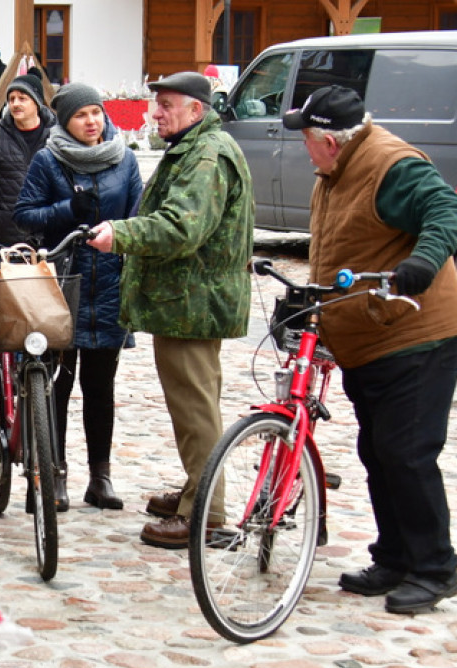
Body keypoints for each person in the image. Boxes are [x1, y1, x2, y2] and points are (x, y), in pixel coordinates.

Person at [281, 85, 457, 613]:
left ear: (331, 142)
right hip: (368, 335)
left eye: (308, 138)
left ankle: (435, 567)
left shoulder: (391, 165)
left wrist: (422, 263)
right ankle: (395, 556)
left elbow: (444, 209)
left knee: (406, 453)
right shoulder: (336, 171)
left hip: (415, 333)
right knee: (377, 451)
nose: (303, 147)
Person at [89, 71, 253, 548]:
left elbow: (183, 227)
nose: (154, 113)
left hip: (193, 303)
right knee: (194, 403)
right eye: (155, 104)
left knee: (195, 407)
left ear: (195, 110)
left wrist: (121, 235)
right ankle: (196, 492)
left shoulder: (207, 154)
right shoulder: (195, 146)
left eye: (165, 105)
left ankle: (206, 514)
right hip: (186, 301)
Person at [13, 83, 142, 511]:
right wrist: (69, 209)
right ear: (66, 121)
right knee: (57, 386)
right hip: (62, 285)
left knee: (100, 387)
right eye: (82, 115)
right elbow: (25, 214)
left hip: (109, 286)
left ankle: (100, 477)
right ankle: (55, 475)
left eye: (97, 113)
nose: (92, 121)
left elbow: (139, 217)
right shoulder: (48, 160)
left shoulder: (125, 160)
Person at [0, 74, 56, 246]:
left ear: (37, 102)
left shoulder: (57, 136)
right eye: (11, 99)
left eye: (22, 98)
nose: (15, 104)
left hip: (51, 235)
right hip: (9, 236)